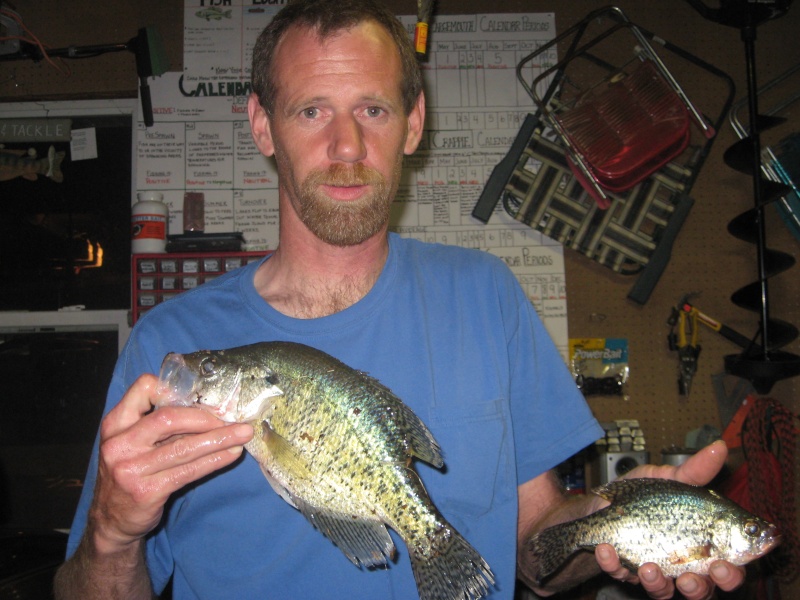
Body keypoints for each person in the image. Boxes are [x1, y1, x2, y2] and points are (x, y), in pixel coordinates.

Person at [54, 0, 747, 598]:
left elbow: (536, 553)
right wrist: (111, 536)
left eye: (373, 109)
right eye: (312, 109)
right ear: (263, 126)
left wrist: (620, 522)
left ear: (413, 124)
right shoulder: (166, 347)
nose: (347, 144)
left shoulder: (487, 297)